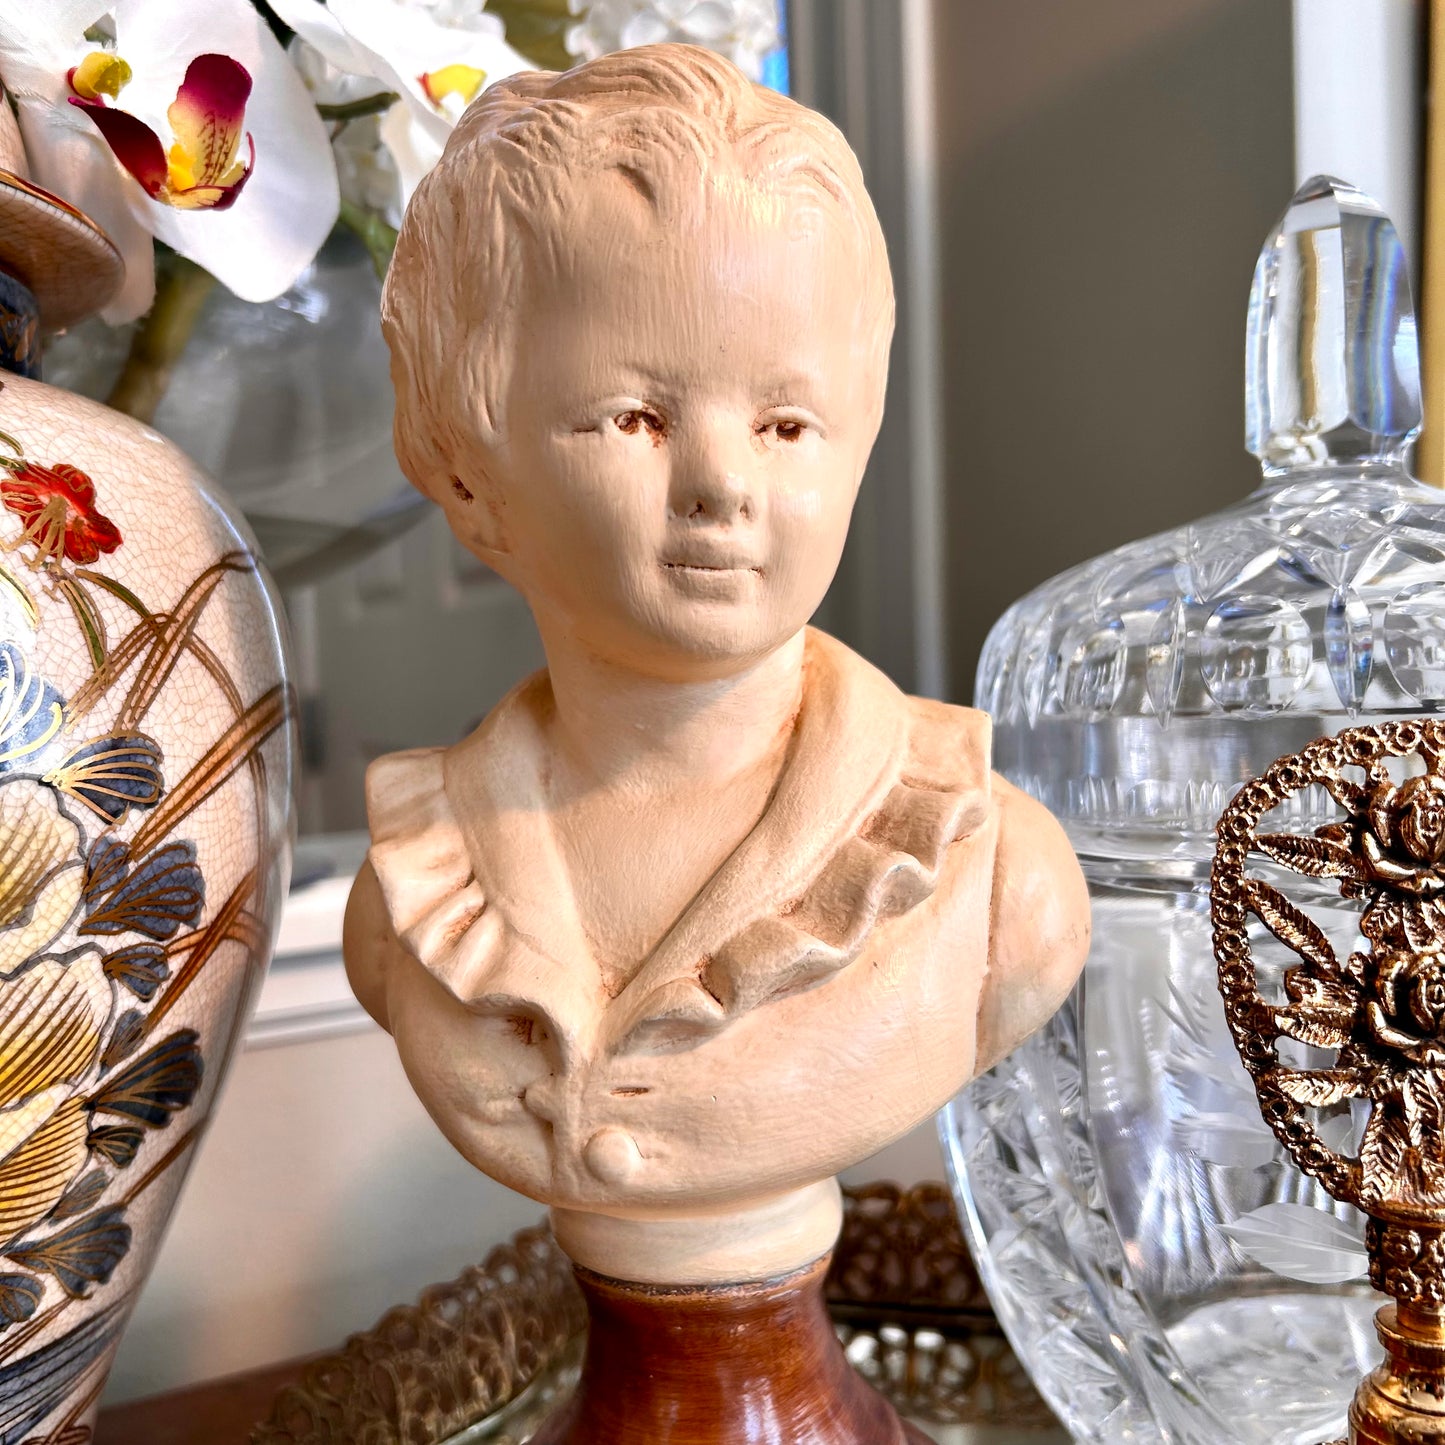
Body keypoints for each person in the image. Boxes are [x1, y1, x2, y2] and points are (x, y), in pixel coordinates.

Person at [344, 42, 1089, 1284]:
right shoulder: (407, 909)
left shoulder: (998, 883)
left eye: (785, 424)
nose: (721, 486)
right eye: (632, 417)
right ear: (470, 479)